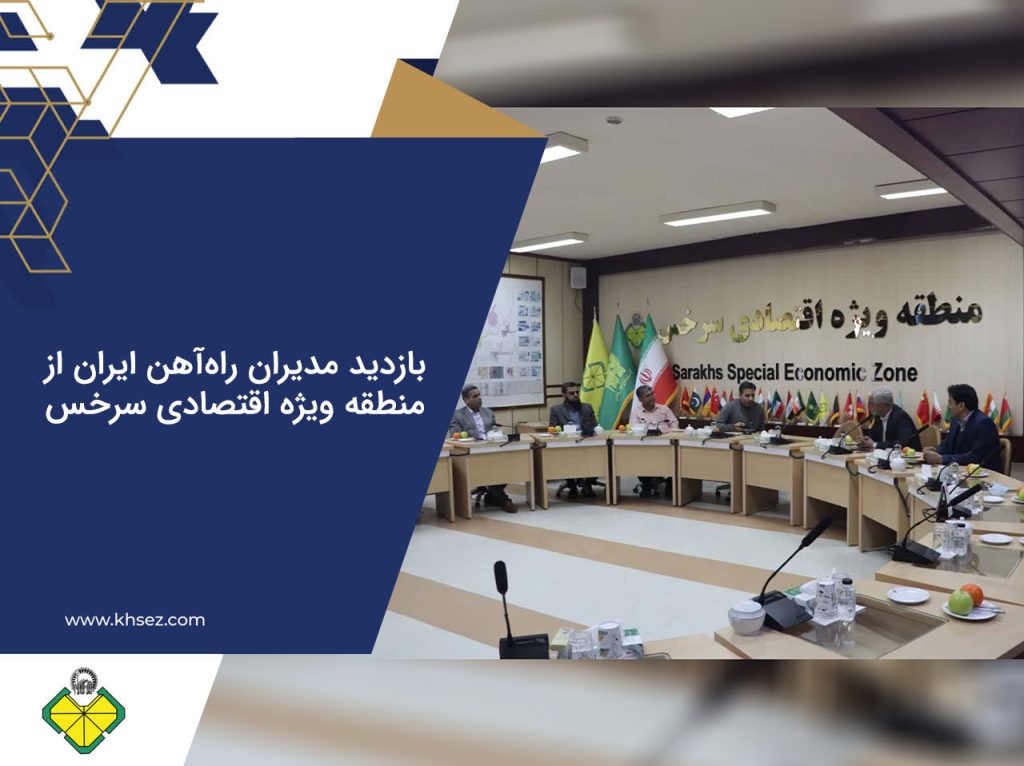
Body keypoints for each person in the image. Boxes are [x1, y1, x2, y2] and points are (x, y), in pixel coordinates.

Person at [449, 385, 517, 512]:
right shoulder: (457, 415)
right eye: (475, 396)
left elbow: (494, 431)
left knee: (508, 466)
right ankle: (504, 500)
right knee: (489, 469)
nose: (479, 398)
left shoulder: (489, 413)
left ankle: (492, 496)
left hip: (491, 450)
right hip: (471, 454)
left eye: (479, 395)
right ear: (466, 400)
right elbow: (455, 436)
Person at [923, 384, 1001, 471]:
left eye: (950, 403)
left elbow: (975, 456)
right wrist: (934, 451)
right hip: (959, 471)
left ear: (961, 406)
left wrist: (942, 459)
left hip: (984, 474)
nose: (948, 407)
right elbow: (947, 445)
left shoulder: (984, 424)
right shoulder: (955, 421)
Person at [549, 381, 598, 499]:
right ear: (564, 395)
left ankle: (587, 484)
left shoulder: (587, 408)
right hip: (567, 446)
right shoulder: (556, 410)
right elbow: (552, 430)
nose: (575, 395)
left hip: (587, 444)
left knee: (600, 456)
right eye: (571, 393)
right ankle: (572, 486)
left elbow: (594, 426)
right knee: (566, 458)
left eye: (577, 392)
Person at [629, 384, 678, 497]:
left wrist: (668, 434)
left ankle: (671, 484)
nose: (652, 397)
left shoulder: (664, 409)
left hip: (666, 446)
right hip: (646, 447)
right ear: (640, 399)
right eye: (648, 396)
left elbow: (675, 425)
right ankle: (646, 484)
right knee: (640, 458)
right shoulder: (636, 413)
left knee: (676, 457)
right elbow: (634, 429)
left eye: (652, 394)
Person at [858, 386, 921, 451]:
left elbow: (901, 443)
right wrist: (866, 441)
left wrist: (875, 444)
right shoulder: (878, 416)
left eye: (872, 404)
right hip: (884, 454)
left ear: (882, 405)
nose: (869, 407)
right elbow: (873, 437)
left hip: (907, 455)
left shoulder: (901, 417)